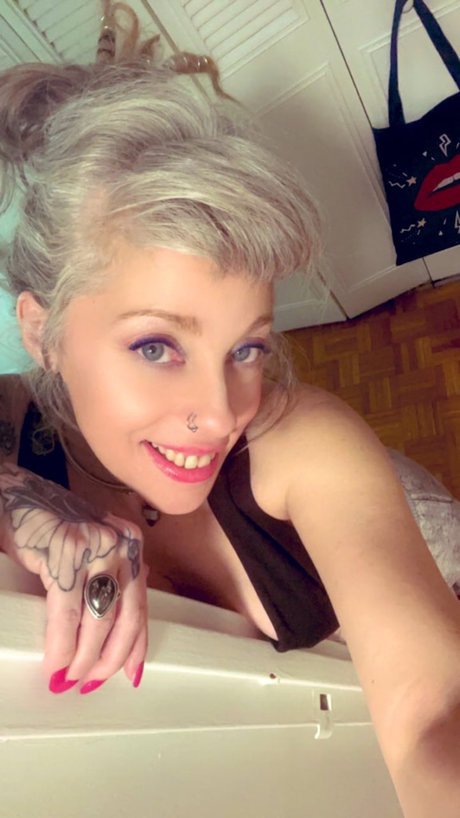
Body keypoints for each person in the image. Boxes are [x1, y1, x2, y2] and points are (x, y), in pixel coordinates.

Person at [0, 2, 459, 814]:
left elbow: (432, 714)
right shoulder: (17, 422)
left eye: (247, 347)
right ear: (42, 332)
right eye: (157, 346)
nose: (219, 414)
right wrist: (25, 506)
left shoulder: (306, 443)